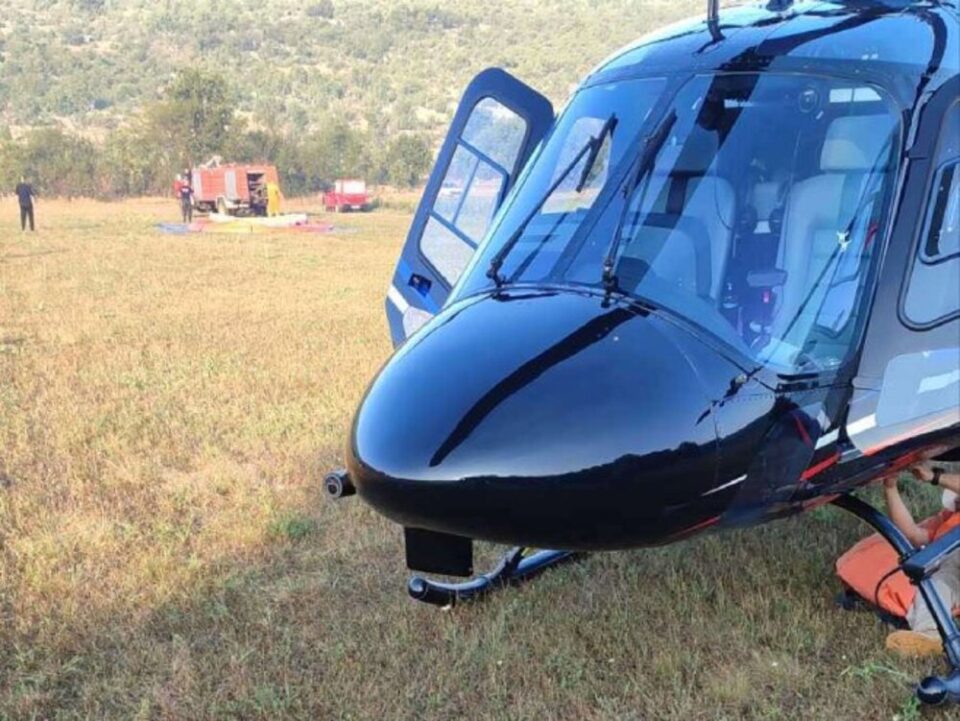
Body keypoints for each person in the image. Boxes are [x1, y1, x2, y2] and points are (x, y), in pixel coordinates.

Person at [883, 461, 960, 657]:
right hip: (952, 569)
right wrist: (890, 488)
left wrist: (935, 476)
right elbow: (913, 535)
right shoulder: (947, 520)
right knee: (935, 584)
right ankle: (928, 636)